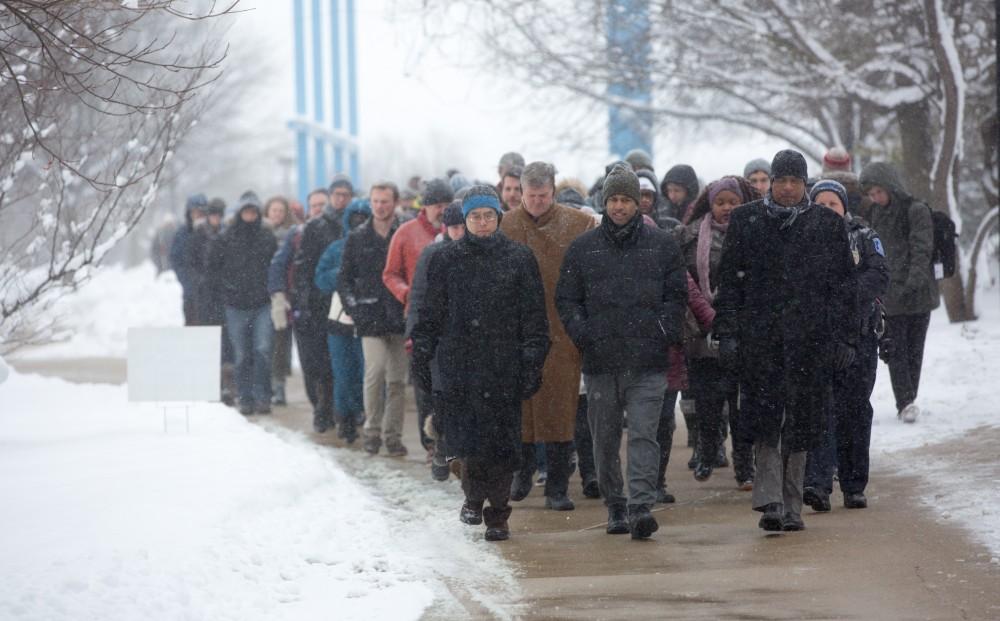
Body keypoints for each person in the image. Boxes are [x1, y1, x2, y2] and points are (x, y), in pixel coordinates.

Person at [713, 150, 857, 532]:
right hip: (760, 341)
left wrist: (844, 337)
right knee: (765, 421)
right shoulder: (747, 221)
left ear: (805, 184)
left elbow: (843, 287)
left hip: (810, 341)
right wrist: (727, 333)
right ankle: (770, 500)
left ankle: (792, 506)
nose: (788, 188)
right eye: (781, 180)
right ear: (771, 183)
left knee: (801, 424)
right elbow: (729, 284)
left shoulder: (826, 225)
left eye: (795, 181)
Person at [411, 185, 550, 542]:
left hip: (505, 365)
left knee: (503, 444)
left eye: (489, 215)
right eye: (475, 216)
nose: (483, 222)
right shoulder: (446, 260)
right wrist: (423, 352)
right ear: (465, 220)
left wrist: (533, 360)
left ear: (498, 218)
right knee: (469, 441)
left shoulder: (519, 259)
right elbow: (430, 313)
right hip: (461, 365)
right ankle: (473, 497)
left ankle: (499, 514)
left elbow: (534, 318)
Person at [555, 164, 687, 539]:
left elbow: (676, 297)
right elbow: (567, 298)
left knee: (645, 434)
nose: (619, 207)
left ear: (638, 204)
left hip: (647, 361)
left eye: (626, 199)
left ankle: (641, 505)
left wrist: (664, 330)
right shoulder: (584, 248)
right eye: (613, 199)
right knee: (605, 437)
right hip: (601, 361)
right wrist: (583, 334)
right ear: (604, 202)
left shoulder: (661, 246)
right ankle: (615, 504)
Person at [500, 161, 597, 511]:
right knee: (520, 406)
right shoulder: (504, 225)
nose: (537, 202)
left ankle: (557, 485)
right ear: (519, 193)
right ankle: (521, 474)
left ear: (553, 191)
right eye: (531, 196)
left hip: (562, 328)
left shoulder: (578, 224)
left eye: (543, 196)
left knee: (559, 408)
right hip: (517, 329)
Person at [803, 180, 889, 511]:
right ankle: (818, 484)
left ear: (844, 207)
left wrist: (842, 295)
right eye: (820, 205)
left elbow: (878, 277)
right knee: (821, 410)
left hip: (861, 336)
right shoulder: (802, 240)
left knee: (855, 409)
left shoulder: (865, 237)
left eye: (832, 205)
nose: (827, 211)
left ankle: (854, 485)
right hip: (818, 339)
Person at [676, 177, 758, 490]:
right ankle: (707, 451)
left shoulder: (753, 232)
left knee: (741, 405)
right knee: (707, 401)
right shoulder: (691, 235)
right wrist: (704, 315)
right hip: (703, 330)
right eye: (720, 202)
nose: (726, 208)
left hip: (742, 330)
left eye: (732, 202)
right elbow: (684, 278)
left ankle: (744, 466)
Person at [860, 162, 939, 424]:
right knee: (895, 350)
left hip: (917, 295)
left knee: (914, 349)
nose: (875, 198)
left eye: (878, 192)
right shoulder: (874, 214)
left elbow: (921, 249)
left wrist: (913, 282)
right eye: (871, 194)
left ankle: (909, 397)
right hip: (889, 296)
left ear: (890, 186)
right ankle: (904, 401)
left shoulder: (915, 210)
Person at [383, 178, 454, 455]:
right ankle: (430, 443)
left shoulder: (459, 231)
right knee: (425, 386)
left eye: (446, 205)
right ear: (425, 207)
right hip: (419, 318)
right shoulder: (406, 232)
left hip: (452, 320)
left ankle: (449, 442)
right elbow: (390, 273)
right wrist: (406, 293)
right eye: (436, 205)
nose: (441, 210)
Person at [339, 182, 408, 456]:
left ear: (395, 202)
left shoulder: (402, 233)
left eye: (385, 201)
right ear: (370, 203)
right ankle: (372, 430)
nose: (380, 206)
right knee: (375, 371)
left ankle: (393, 435)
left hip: (399, 314)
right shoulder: (357, 236)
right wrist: (353, 307)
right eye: (376, 201)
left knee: (397, 380)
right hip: (368, 315)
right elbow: (344, 278)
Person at [407, 201, 466, 480]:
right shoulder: (433, 254)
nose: (459, 233)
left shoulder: (476, 253)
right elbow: (418, 297)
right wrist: (416, 336)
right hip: (440, 337)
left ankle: (459, 452)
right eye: (454, 227)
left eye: (462, 227)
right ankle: (441, 446)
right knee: (440, 395)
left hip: (469, 337)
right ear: (446, 228)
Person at [209, 191, 278, 416]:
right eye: (246, 211)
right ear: (240, 213)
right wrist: (225, 291)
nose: (249, 215)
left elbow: (275, 267)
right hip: (235, 304)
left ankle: (263, 396)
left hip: (262, 304)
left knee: (262, 350)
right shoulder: (226, 237)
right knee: (241, 354)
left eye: (253, 211)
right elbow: (213, 267)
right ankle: (245, 397)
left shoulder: (267, 237)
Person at [292, 177, 351, 432]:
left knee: (344, 361)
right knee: (321, 363)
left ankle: (345, 410)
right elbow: (303, 267)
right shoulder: (316, 227)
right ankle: (322, 408)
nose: (341, 199)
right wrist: (304, 300)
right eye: (337, 194)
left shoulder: (357, 221)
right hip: (320, 300)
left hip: (347, 300)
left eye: (346, 195)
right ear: (330, 196)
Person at [314, 198, 372, 444]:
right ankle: (345, 418)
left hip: (368, 318)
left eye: (363, 217)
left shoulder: (376, 246)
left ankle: (363, 414)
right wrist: (342, 276)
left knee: (366, 373)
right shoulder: (337, 248)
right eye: (354, 217)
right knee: (342, 373)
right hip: (339, 320)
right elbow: (320, 278)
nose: (358, 221)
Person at [268, 188, 329, 413]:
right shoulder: (297, 234)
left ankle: (334, 407)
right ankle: (318, 403)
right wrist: (279, 294)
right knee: (309, 360)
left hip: (333, 305)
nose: (319, 210)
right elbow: (278, 265)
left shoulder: (342, 230)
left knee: (332, 361)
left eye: (323, 205)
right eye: (315, 206)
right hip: (304, 305)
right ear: (309, 209)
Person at [264, 196, 296, 406]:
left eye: (280, 211)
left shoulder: (292, 236)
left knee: (280, 342)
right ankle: (265, 385)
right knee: (262, 344)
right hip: (259, 295)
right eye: (273, 210)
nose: (276, 214)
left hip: (283, 294)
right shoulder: (258, 233)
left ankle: (279, 386)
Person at [170, 193, 208, 325]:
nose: (198, 215)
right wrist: (188, 282)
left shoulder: (213, 231)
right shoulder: (182, 234)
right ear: (189, 213)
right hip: (191, 292)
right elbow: (176, 260)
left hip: (211, 294)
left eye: (202, 212)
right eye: (195, 212)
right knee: (192, 327)